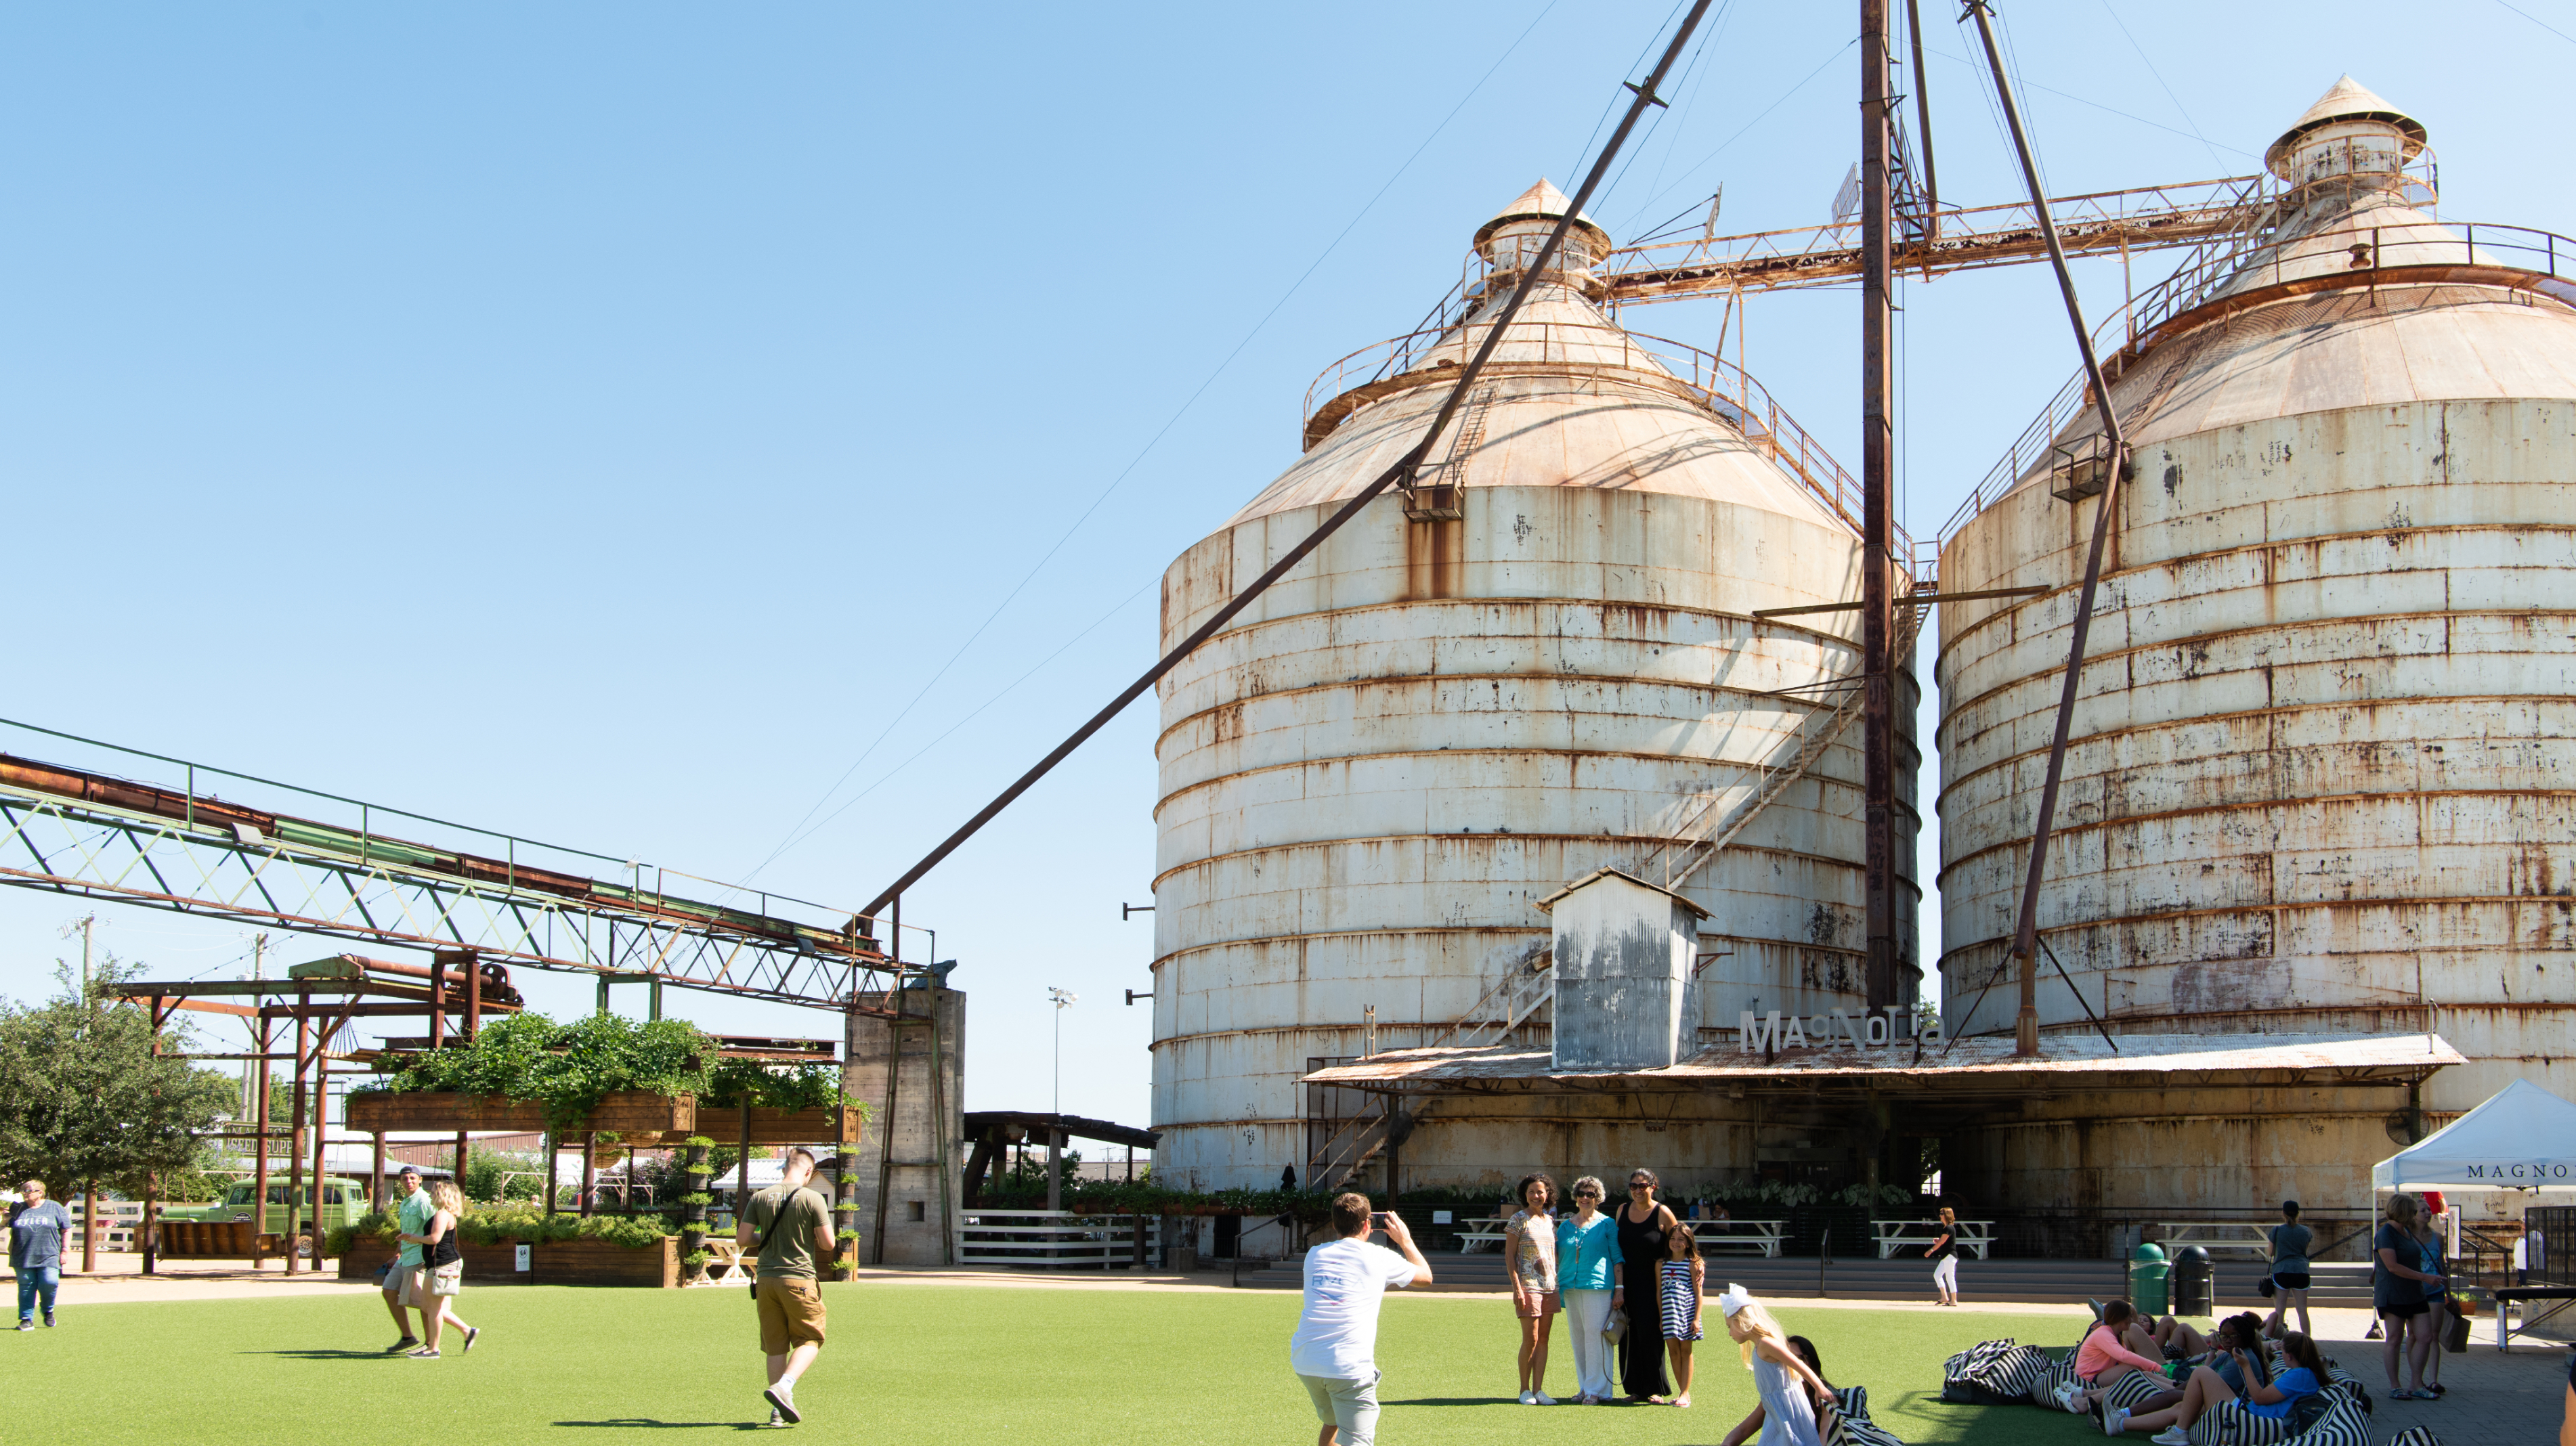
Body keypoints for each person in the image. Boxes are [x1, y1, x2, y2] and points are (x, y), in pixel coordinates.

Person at [1287, 1192, 1431, 1446]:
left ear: (1334, 1225)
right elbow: (1425, 1277)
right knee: (1357, 1441)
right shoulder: (1378, 1256)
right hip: (1347, 1367)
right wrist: (1405, 1240)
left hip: (1306, 1362)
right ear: (1368, 1224)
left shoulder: (1314, 1255)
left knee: (1332, 1421)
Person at [737, 1146, 836, 1426]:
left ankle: (778, 1411)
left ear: (784, 1169)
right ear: (809, 1171)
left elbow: (743, 1239)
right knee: (811, 1338)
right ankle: (785, 1386)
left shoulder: (760, 1197)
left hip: (766, 1280)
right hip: (799, 1279)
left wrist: (769, 1238)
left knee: (776, 1345)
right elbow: (828, 1244)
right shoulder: (812, 1198)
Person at [2107, 1330, 2327, 1445]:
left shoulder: (2299, 1375)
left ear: (2289, 1355)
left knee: (2203, 1373)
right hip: (2252, 1413)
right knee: (2182, 1407)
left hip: (2248, 1417)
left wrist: (2245, 1366)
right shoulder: (2307, 1375)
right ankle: (2120, 1423)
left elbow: (2259, 1398)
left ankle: (2180, 1432)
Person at [1716, 1285, 1833, 1446]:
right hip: (1775, 1414)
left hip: (1789, 1414)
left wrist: (1819, 1388)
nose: (1729, 1333)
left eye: (1730, 1327)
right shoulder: (1759, 1348)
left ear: (1741, 1322)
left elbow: (1797, 1365)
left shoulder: (1766, 1343)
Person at [1554, 1176, 1623, 1404]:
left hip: (1598, 1287)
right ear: (1575, 1198)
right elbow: (1555, 1256)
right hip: (1570, 1288)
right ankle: (1585, 1387)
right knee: (1579, 1339)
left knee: (1597, 1337)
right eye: (1581, 1194)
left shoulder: (1607, 1224)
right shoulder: (1564, 1227)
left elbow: (1617, 1259)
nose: (1585, 1198)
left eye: (1590, 1194)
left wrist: (1620, 1289)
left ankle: (1599, 1390)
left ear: (1598, 1198)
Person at [398, 1179, 480, 1359]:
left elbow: (434, 1238)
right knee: (427, 1306)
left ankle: (433, 1349)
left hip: (444, 1264)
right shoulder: (442, 1213)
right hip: (436, 1265)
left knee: (433, 1308)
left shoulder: (443, 1214)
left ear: (443, 1194)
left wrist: (414, 1237)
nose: (431, 1194)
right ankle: (467, 1331)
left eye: (434, 1191)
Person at [2376, 1191, 2446, 1400]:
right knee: (2395, 1338)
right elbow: (2393, 1266)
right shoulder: (2386, 1233)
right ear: (2403, 1211)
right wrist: (2425, 1277)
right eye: (2413, 1211)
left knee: (2426, 1336)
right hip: (2394, 1293)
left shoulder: (2408, 1232)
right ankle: (2395, 1386)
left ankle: (2416, 1383)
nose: (2416, 1214)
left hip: (2415, 1293)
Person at [1616, 1168, 1677, 1401]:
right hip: (1625, 1282)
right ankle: (1634, 1388)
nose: (1638, 1190)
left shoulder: (1663, 1213)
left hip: (1654, 1284)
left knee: (1651, 1335)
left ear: (1653, 1186)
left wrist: (1696, 1262)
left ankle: (1654, 1389)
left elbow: (1680, 1240)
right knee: (1628, 1335)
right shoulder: (1622, 1210)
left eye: (1643, 1186)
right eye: (1633, 1186)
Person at [2055, 1300, 2170, 1416]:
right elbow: (2124, 1356)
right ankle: (2085, 1398)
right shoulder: (2104, 1334)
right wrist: (2156, 1367)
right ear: (2121, 1318)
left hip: (2095, 1374)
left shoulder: (2113, 1334)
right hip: (2089, 1376)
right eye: (2129, 1317)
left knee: (2134, 1373)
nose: (2132, 1320)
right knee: (2133, 1371)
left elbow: (2123, 1358)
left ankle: (2085, 1395)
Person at [1503, 1174, 1560, 1405]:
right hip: (1528, 1286)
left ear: (1548, 1195)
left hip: (1550, 1286)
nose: (1536, 1196)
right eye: (1531, 1192)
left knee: (1544, 1338)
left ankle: (1539, 1390)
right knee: (1531, 1338)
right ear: (1525, 1195)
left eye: (1540, 1192)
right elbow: (1509, 1255)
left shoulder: (1549, 1221)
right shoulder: (1518, 1219)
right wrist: (1517, 1287)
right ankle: (1524, 1390)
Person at [1720, 1334, 1830, 1446]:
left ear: (1811, 1362)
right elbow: (1743, 1431)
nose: (1791, 1365)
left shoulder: (1825, 1396)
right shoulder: (1779, 1396)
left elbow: (1825, 1435)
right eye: (1784, 1360)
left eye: (1799, 1359)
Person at [381, 1165, 432, 1353]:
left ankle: (429, 1344)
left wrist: (431, 1258)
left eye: (412, 1178)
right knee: (388, 1291)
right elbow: (405, 1232)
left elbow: (435, 1230)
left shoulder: (425, 1201)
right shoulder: (405, 1202)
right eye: (404, 1179)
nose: (408, 1181)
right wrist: (397, 1253)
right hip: (405, 1257)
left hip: (419, 1257)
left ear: (420, 1179)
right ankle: (408, 1337)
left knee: (422, 1301)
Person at [9, 1180, 70, 1330]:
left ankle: (48, 1310)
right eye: (23, 1190)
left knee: (49, 1282)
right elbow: (7, 1227)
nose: (25, 1193)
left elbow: (66, 1229)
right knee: (26, 1286)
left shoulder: (54, 1207)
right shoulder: (18, 1208)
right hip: (22, 1255)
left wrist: (65, 1250)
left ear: (40, 1193)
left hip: (49, 1254)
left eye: (29, 1190)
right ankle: (26, 1319)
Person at [1659, 1221, 1704, 1408]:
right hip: (1669, 1314)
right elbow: (1658, 1292)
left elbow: (1699, 1293)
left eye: (1681, 1240)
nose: (1676, 1242)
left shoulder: (1693, 1264)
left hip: (1686, 1313)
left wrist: (1696, 1318)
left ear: (1688, 1243)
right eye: (1673, 1239)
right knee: (1673, 1352)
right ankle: (1682, 1392)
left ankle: (1685, 1392)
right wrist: (1661, 1317)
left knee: (1686, 1352)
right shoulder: (1661, 1264)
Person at [2415, 1203, 2453, 1397]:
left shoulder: (2437, 1238)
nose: (2429, 1213)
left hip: (2436, 1290)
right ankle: (2417, 1379)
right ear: (2413, 1214)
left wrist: (2449, 1293)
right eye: (2423, 1210)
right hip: (2415, 1291)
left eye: (2429, 1210)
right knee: (2416, 1336)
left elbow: (2442, 1265)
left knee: (2433, 1335)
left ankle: (2433, 1380)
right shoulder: (2407, 1237)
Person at [2263, 1200, 2313, 1341]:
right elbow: (2304, 1250)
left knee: (2280, 1309)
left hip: (2282, 1270)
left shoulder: (2277, 1230)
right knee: (2302, 1309)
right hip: (2301, 1270)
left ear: (2283, 1213)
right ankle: (2308, 1339)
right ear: (2299, 1214)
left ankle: (2278, 1340)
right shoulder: (2306, 1231)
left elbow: (2271, 1252)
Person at [1924, 1206, 1960, 1307]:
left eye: (1942, 1214)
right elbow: (1943, 1242)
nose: (1940, 1216)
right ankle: (1944, 1297)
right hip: (1945, 1257)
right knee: (1937, 1275)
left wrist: (1931, 1250)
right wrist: (1938, 1241)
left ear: (1947, 1215)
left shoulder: (1949, 1227)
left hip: (1949, 1256)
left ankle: (1954, 1300)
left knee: (1950, 1278)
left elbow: (1942, 1242)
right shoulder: (1946, 1228)